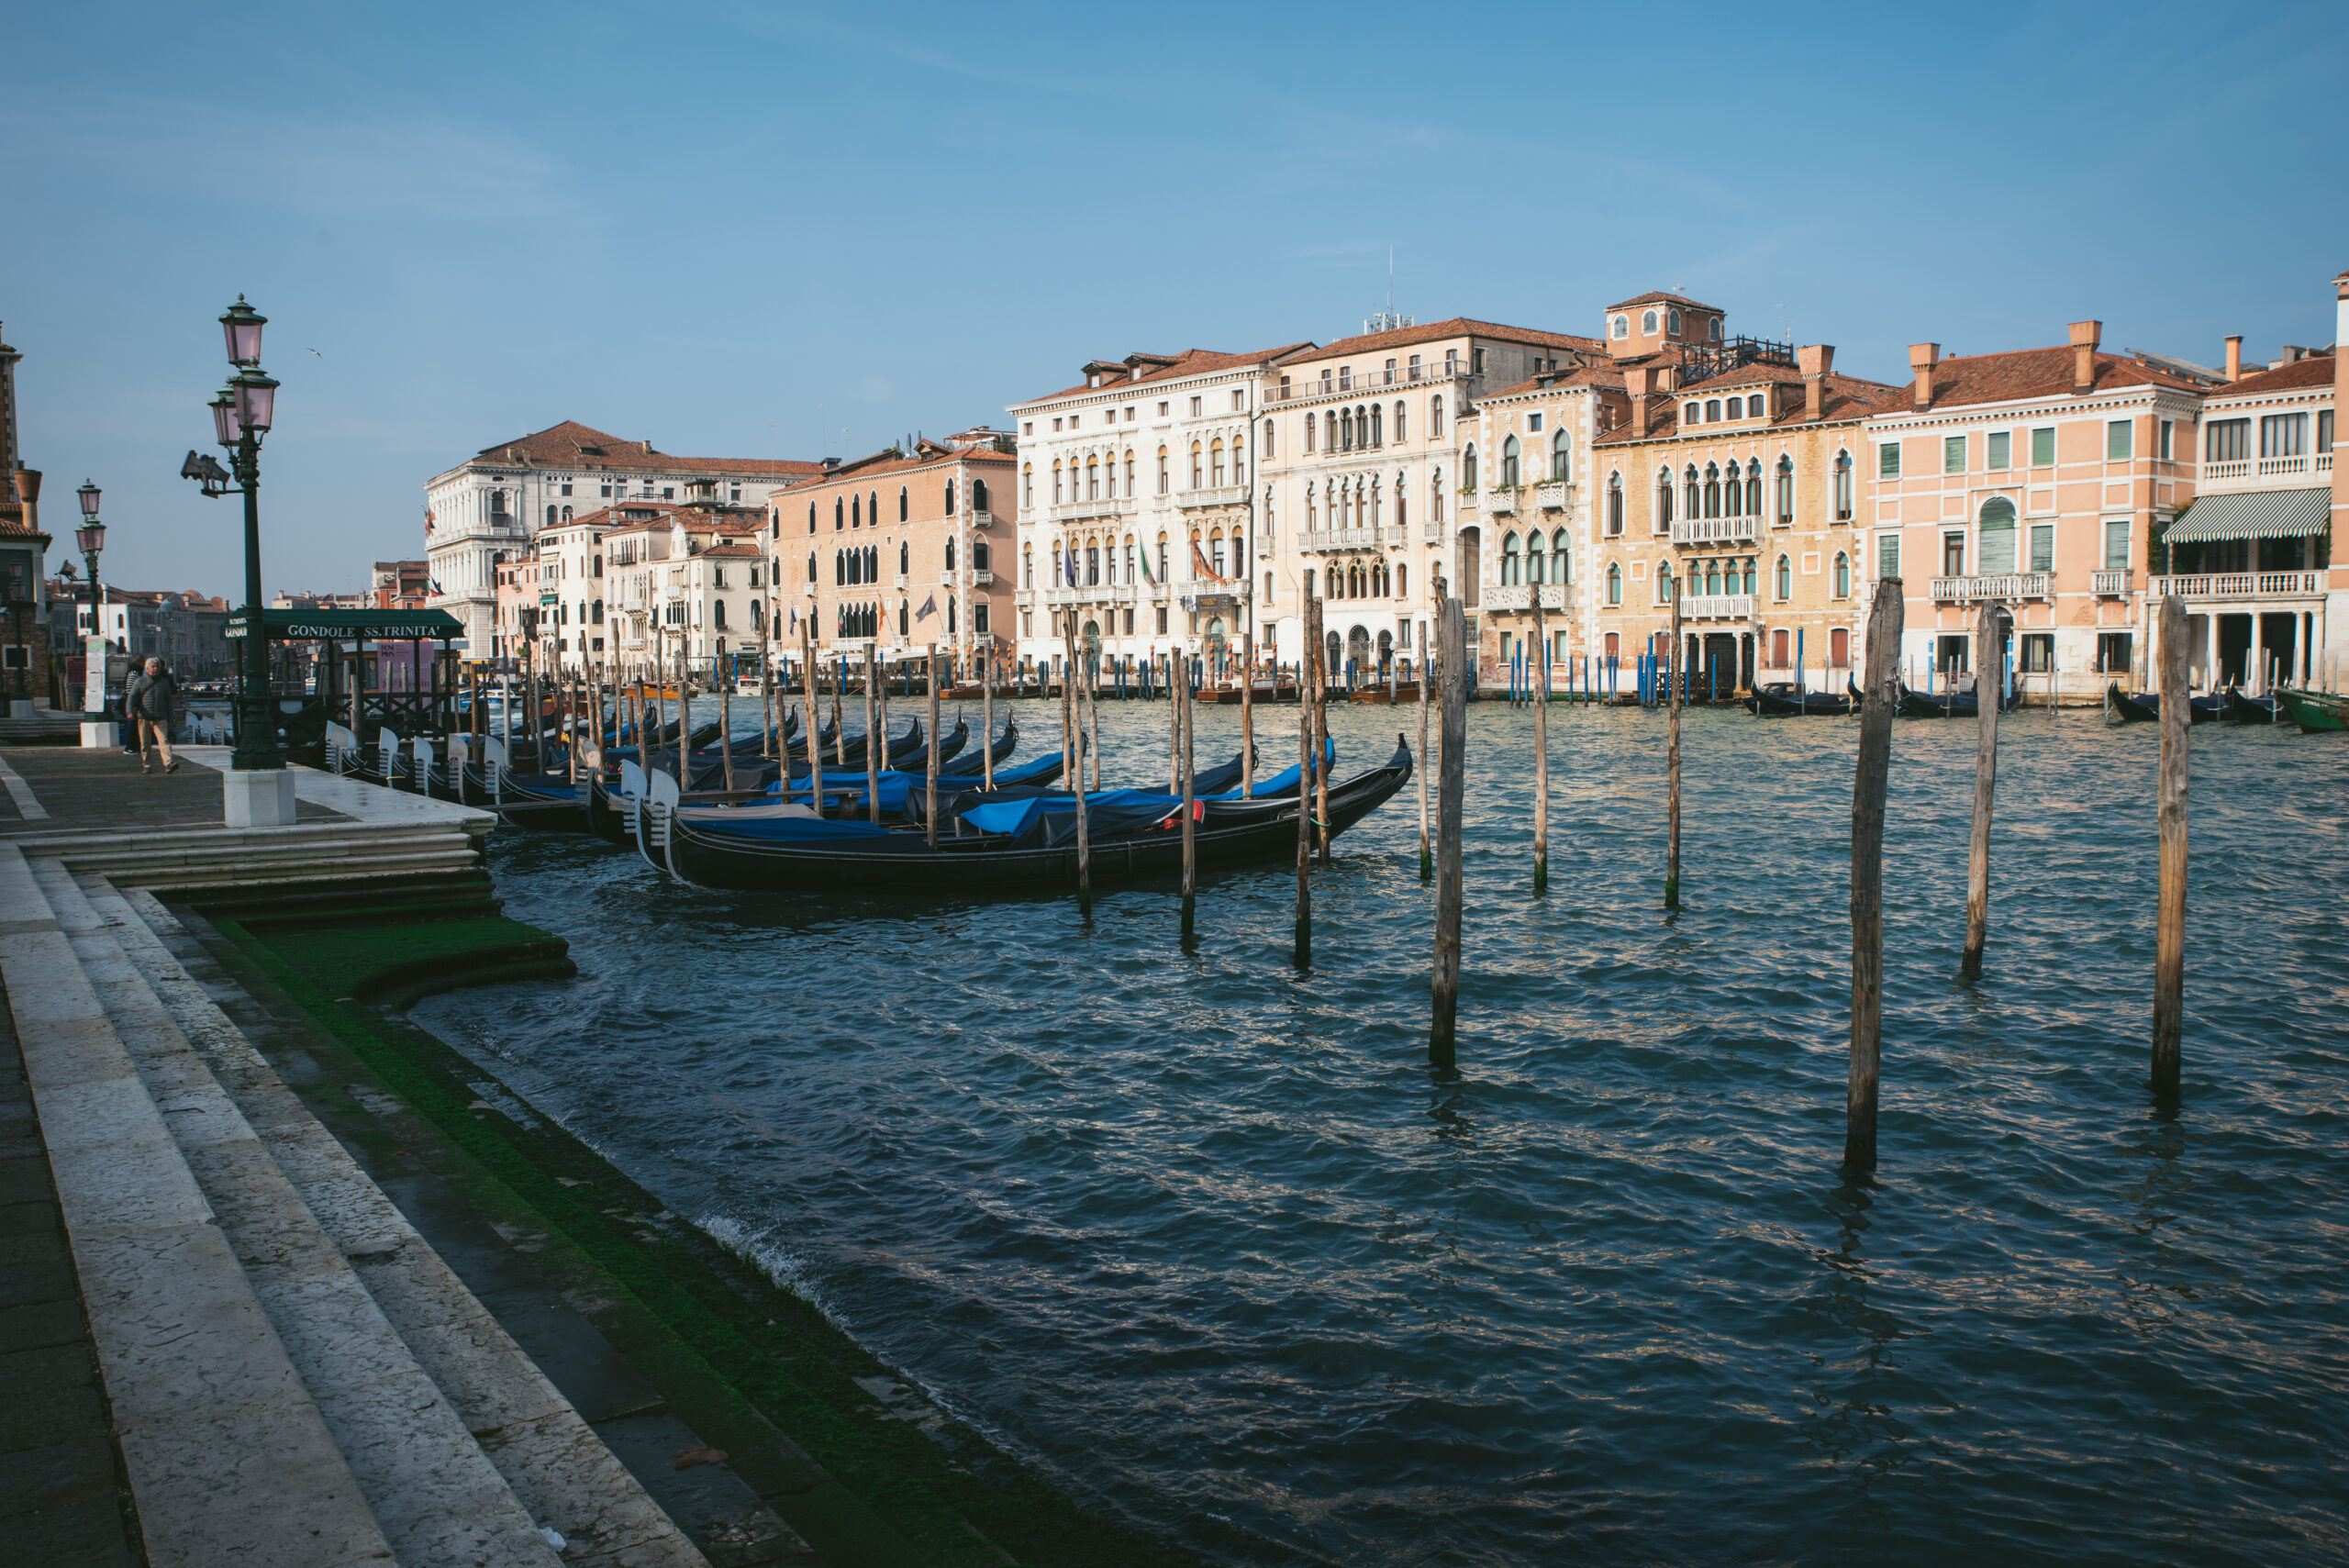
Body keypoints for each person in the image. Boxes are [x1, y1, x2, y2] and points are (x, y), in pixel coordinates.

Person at [123, 657, 181, 774]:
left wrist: (170, 717)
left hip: (160, 717)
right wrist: (129, 711)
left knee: (164, 741)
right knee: (145, 743)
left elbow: (169, 701)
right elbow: (132, 697)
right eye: (153, 667)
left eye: (157, 667)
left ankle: (168, 763)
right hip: (144, 717)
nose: (155, 669)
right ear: (147, 668)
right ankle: (147, 764)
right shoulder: (140, 681)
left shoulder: (164, 682)